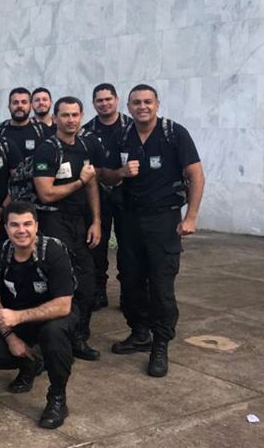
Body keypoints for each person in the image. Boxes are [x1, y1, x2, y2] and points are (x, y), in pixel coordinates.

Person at [101, 84, 204, 377]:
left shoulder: (174, 133)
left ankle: (161, 343)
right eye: (136, 102)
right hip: (129, 219)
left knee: (161, 285)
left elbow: (196, 175)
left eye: (147, 101)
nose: (142, 107)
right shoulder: (122, 135)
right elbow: (105, 176)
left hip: (163, 220)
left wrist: (191, 216)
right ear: (128, 107)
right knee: (130, 281)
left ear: (157, 104)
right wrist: (121, 173)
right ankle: (139, 333)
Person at [0, 201, 76, 429]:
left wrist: (18, 318)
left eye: (27, 224)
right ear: (6, 228)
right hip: (17, 315)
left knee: (54, 335)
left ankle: (57, 398)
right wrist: (10, 336)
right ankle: (29, 365)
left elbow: (63, 305)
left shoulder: (52, 251)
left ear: (36, 226)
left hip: (55, 315)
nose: (21, 230)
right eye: (14, 225)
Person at [32, 96, 103, 361]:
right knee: (60, 281)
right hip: (52, 220)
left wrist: (96, 221)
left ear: (81, 116)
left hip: (80, 222)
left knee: (87, 281)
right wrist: (78, 182)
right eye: (65, 115)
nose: (70, 120)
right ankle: (52, 339)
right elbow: (46, 193)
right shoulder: (47, 149)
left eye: (75, 115)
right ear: (56, 117)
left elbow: (92, 184)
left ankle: (79, 337)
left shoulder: (86, 145)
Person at [83, 83, 132, 310]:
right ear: (94, 103)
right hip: (98, 195)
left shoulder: (131, 127)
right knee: (97, 246)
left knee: (128, 245)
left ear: (116, 100)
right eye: (99, 100)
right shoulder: (87, 131)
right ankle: (98, 291)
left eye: (108, 99)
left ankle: (127, 293)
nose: (104, 104)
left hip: (127, 195)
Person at [0, 87, 53, 204]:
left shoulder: (41, 129)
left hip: (36, 196)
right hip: (6, 197)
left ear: (30, 105)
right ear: (9, 106)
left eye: (24, 102)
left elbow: (48, 162)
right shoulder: (0, 130)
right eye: (15, 102)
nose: (19, 106)